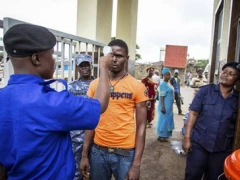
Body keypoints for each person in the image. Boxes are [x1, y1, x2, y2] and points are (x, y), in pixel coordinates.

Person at [0, 24, 112, 179]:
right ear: (37, 58)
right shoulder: (52, 102)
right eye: (51, 54)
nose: (53, 60)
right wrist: (104, 68)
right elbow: (101, 104)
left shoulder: (2, 97)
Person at [80, 39, 148, 180]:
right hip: (98, 151)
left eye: (119, 56)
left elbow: (141, 126)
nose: (114, 59)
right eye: (111, 55)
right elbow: (90, 122)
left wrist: (136, 164)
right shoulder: (95, 85)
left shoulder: (137, 86)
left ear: (127, 59)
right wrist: (84, 155)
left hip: (125, 153)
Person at [182, 62, 240, 180]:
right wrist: (187, 138)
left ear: (237, 79)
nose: (226, 75)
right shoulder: (205, 91)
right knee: (192, 175)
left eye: (231, 74)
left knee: (214, 178)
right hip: (199, 145)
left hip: (222, 149)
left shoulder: (238, 100)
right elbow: (193, 114)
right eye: (224, 72)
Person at [68, 53, 95, 180]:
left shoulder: (99, 85)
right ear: (77, 68)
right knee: (77, 170)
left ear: (91, 66)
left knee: (96, 170)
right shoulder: (72, 87)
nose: (85, 68)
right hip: (77, 136)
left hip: (97, 136)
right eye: (81, 66)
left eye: (87, 65)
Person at [156, 67, 174, 142]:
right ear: (163, 76)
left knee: (168, 120)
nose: (168, 76)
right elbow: (162, 96)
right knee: (163, 120)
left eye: (169, 75)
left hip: (169, 106)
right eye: (166, 75)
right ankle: (161, 135)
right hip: (165, 106)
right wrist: (163, 107)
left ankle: (165, 135)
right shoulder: (163, 84)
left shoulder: (168, 83)